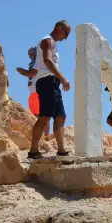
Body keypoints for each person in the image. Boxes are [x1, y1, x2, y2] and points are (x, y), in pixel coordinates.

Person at [28, 20, 72, 159]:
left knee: (60, 116)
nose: (66, 38)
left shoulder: (52, 42)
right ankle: (33, 150)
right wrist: (63, 78)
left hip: (53, 83)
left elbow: (41, 65)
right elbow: (47, 60)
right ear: (60, 28)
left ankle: (61, 150)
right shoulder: (47, 41)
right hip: (47, 82)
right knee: (45, 117)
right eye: (66, 33)